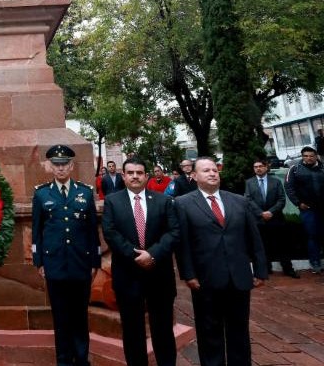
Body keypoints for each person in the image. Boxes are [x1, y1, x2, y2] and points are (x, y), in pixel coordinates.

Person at [175, 157, 268, 366]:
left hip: (239, 277)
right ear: (194, 176)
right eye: (206, 170)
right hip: (205, 279)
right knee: (209, 332)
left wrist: (260, 270)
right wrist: (188, 274)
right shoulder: (183, 204)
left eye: (214, 170)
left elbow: (254, 238)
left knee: (239, 331)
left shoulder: (239, 201)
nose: (212, 173)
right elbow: (184, 244)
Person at [102, 157, 179, 366]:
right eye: (130, 173)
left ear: (146, 176)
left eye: (139, 172)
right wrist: (135, 255)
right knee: (132, 330)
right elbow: (110, 232)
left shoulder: (163, 201)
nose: (135, 176)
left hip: (159, 275)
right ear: (123, 176)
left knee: (162, 329)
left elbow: (174, 232)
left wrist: (152, 254)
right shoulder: (112, 201)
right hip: (128, 276)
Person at [32, 144, 100, 366]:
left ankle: (81, 359)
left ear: (71, 166)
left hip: (81, 264)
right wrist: (38, 261)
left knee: (80, 315)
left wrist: (94, 261)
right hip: (54, 265)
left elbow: (92, 230)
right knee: (60, 316)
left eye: (64, 164)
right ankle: (63, 360)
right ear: (50, 167)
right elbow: (36, 232)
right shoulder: (41, 194)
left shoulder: (85, 192)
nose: (60, 169)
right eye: (56, 164)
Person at [244, 158, 299, 278]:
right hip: (258, 219)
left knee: (282, 245)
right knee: (262, 246)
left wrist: (270, 212)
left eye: (260, 166)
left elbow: (281, 199)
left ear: (266, 167)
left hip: (276, 218)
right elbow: (248, 200)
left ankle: (288, 269)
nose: (258, 168)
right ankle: (265, 270)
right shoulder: (249, 182)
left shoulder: (276, 181)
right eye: (255, 167)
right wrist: (261, 213)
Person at [284, 145, 324, 273]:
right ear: (302, 157)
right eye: (305, 156)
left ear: (316, 156)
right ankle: (315, 262)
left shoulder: (322, 168)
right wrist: (298, 203)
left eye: (311, 156)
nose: (308, 158)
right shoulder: (295, 169)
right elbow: (289, 188)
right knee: (312, 235)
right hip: (308, 209)